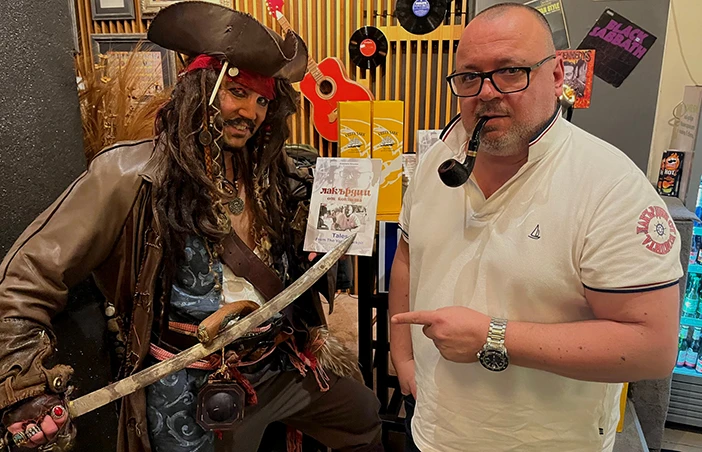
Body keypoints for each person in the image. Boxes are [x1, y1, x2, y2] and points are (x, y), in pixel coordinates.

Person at [0, 3, 382, 452]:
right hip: (191, 384)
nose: (251, 112)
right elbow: (25, 277)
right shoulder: (129, 175)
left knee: (362, 415)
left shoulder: (274, 172)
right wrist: (24, 386)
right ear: (200, 89)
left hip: (278, 360)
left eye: (262, 101)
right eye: (237, 92)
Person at [389, 4, 682, 452]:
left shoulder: (610, 185)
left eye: (510, 71)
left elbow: (652, 347)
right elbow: (410, 257)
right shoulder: (437, 161)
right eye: (469, 77)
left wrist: (493, 337)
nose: (486, 92)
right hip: (432, 431)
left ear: (557, 75)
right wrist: (404, 358)